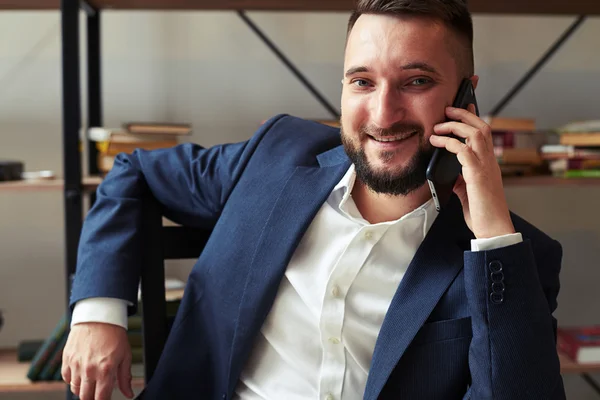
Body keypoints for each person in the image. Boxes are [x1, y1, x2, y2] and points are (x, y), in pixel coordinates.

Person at [61, 0, 566, 399]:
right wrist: (96, 315)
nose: (383, 114)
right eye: (362, 82)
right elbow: (135, 173)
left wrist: (495, 235)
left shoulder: (512, 259)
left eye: (417, 81)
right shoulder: (276, 156)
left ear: (466, 97)